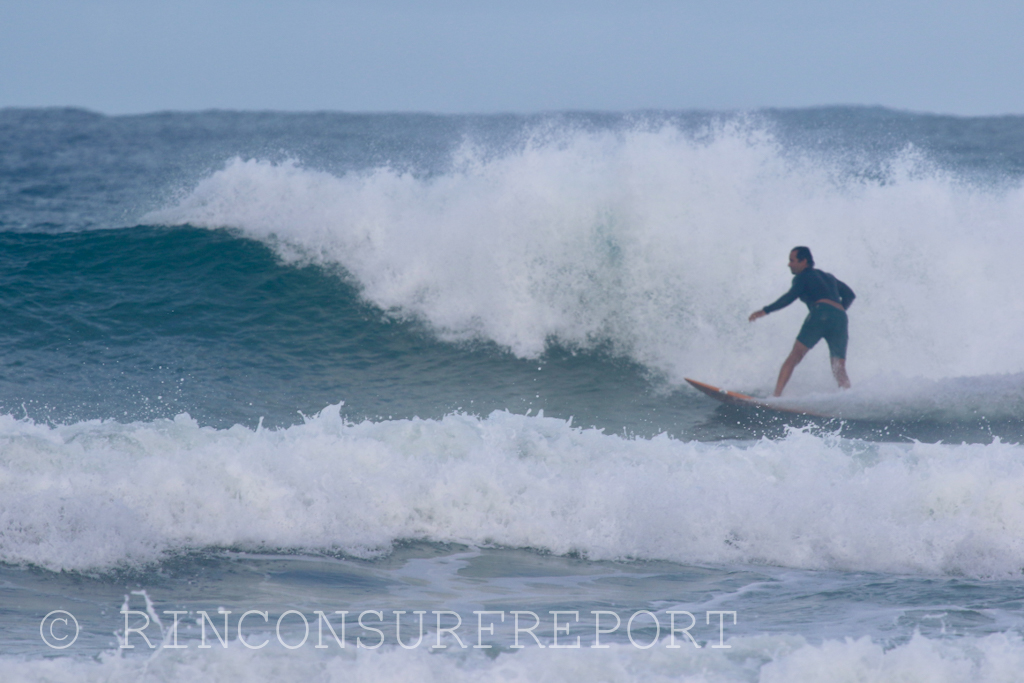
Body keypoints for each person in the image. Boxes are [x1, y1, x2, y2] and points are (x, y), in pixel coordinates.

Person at [748, 247, 855, 397]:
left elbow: (790, 297)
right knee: (839, 367)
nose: (789, 264)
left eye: (792, 260)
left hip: (821, 313)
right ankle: (848, 398)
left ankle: (776, 396)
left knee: (795, 356)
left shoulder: (803, 276)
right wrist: (837, 311)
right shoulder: (829, 277)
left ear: (804, 261)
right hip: (840, 318)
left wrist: (765, 310)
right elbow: (850, 294)